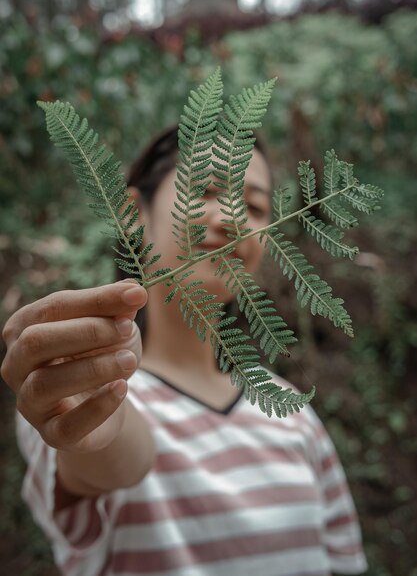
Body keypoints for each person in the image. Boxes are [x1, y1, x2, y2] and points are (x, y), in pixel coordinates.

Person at [1, 124, 367, 576]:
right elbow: (110, 456)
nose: (231, 218)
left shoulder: (295, 417)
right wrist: (98, 410)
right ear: (133, 214)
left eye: (252, 206)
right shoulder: (78, 384)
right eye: (206, 190)